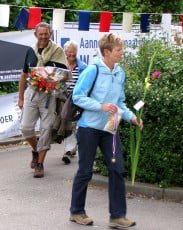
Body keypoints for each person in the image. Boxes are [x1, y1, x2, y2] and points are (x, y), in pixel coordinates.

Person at [69, 33, 143, 228]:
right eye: (119, 50)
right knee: (85, 171)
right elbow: (77, 97)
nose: (122, 53)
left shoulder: (120, 73)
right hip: (89, 129)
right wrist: (100, 106)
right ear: (107, 52)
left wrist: (132, 117)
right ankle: (76, 212)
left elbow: (120, 103)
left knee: (117, 169)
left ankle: (117, 216)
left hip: (110, 129)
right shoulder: (92, 70)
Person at [18, 22, 67, 178]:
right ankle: (36, 149)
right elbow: (23, 75)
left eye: (46, 34)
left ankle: (39, 164)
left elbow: (66, 74)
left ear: (50, 34)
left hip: (49, 95)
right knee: (26, 128)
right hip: (31, 93)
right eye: (41, 34)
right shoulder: (30, 51)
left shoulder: (58, 51)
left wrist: (53, 77)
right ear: (36, 34)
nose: (44, 37)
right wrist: (20, 98)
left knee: (46, 129)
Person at [61, 40, 87, 165]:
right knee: (65, 124)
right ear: (65, 52)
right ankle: (70, 149)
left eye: (74, 51)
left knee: (73, 124)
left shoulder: (83, 67)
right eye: (69, 52)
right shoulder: (61, 65)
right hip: (62, 98)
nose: (72, 54)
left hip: (76, 99)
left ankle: (69, 150)